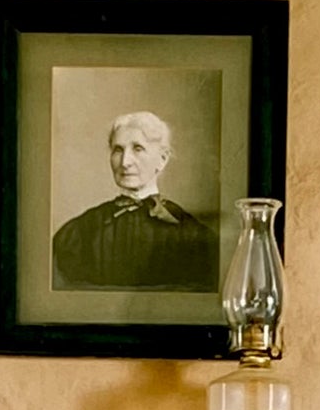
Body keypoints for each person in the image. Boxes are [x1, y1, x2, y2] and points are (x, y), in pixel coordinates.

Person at [52, 111, 218, 292]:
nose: (125, 162)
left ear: (162, 160)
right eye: (118, 150)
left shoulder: (194, 235)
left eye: (138, 149)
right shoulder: (79, 233)